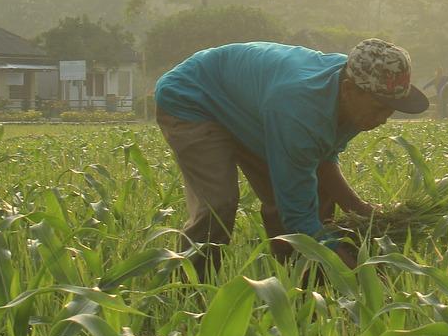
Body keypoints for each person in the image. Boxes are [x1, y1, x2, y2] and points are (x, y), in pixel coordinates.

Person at [154, 38, 429, 278]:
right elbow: (299, 217)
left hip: (252, 110)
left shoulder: (355, 100)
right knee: (219, 204)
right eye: (379, 108)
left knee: (316, 196)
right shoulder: (300, 109)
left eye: (390, 111)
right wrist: (355, 272)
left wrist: (358, 208)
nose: (382, 120)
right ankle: (189, 287)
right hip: (194, 96)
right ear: (348, 90)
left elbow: (321, 157)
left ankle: (300, 281)